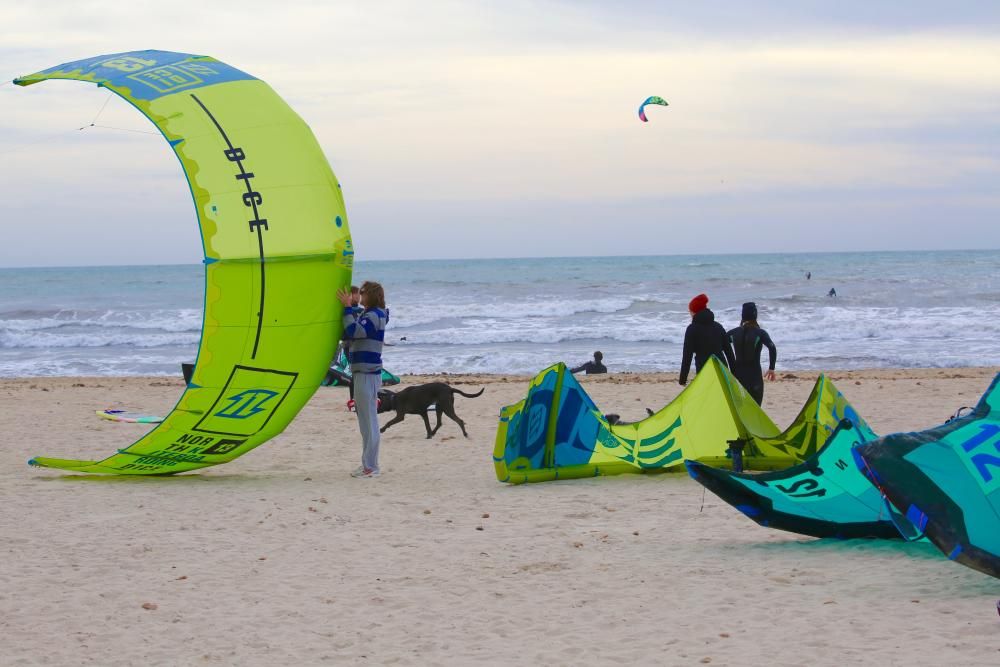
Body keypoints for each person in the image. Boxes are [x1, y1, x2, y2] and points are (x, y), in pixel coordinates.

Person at [338, 281, 389, 479]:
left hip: (367, 373)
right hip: (367, 373)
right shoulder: (377, 314)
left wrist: (347, 308)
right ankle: (368, 464)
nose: (360, 295)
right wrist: (352, 306)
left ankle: (371, 467)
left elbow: (355, 331)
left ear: (371, 295)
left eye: (363, 292)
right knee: (366, 420)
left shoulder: (374, 315)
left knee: (369, 421)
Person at [679, 293, 736, 385]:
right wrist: (733, 375)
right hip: (721, 370)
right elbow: (729, 353)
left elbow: (687, 356)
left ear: (694, 312)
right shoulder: (718, 327)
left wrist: (683, 379)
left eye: (690, 311)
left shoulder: (692, 329)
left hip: (704, 370)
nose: (690, 313)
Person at [727, 302, 777, 405]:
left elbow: (720, 345)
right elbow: (772, 347)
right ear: (755, 315)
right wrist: (771, 368)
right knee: (755, 408)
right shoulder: (760, 333)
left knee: (740, 408)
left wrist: (726, 365)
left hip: (738, 375)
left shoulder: (733, 332)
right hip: (754, 377)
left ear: (743, 316)